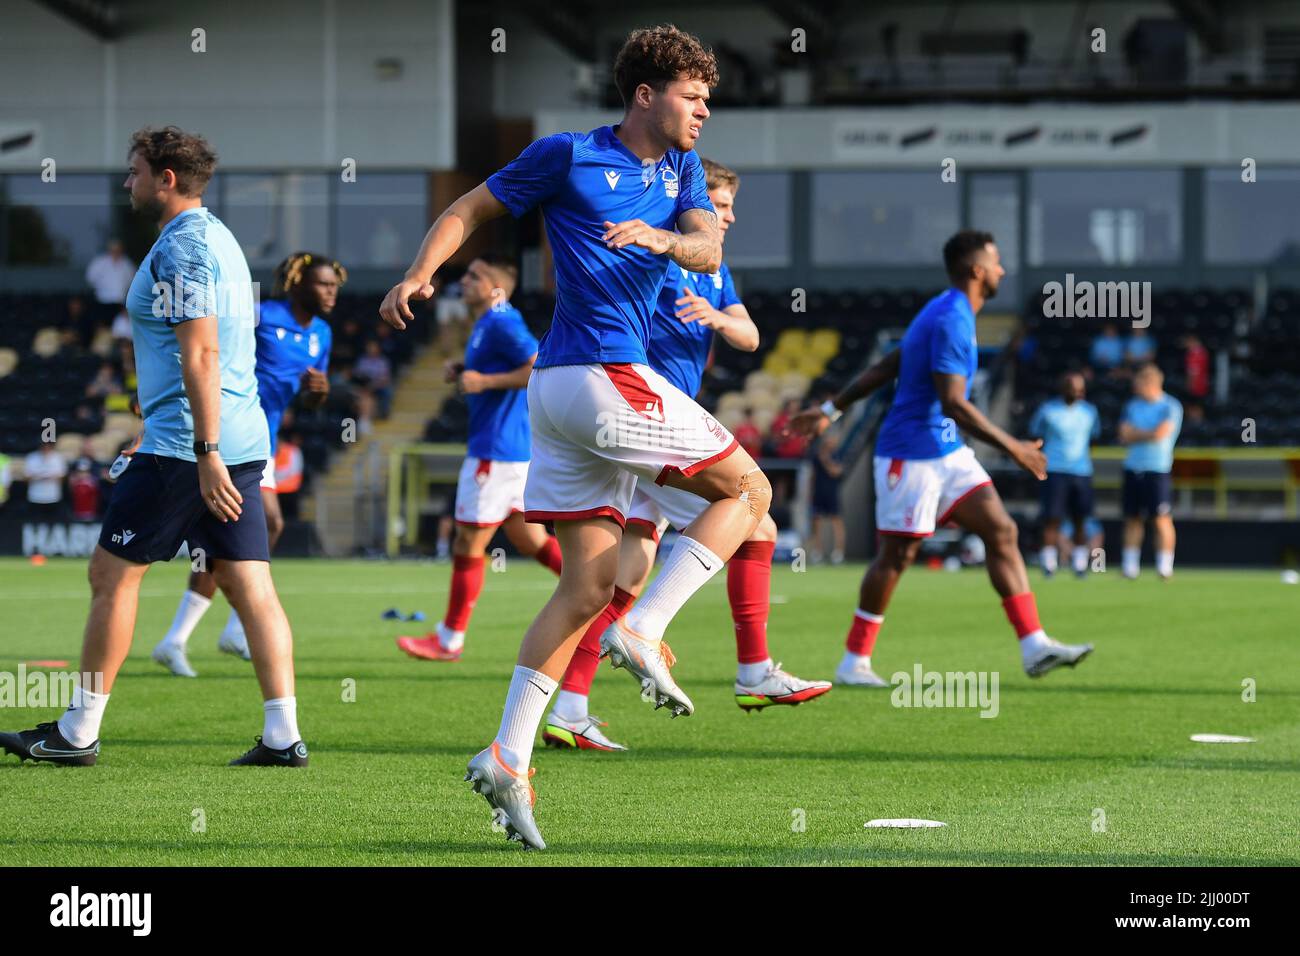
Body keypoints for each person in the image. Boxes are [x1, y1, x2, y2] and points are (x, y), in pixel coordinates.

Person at [379, 25, 768, 850]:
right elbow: (470, 208)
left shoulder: (685, 170)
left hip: (558, 400)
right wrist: (423, 273)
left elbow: (707, 245)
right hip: (598, 376)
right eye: (693, 96)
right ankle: (647, 628)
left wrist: (666, 239)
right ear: (645, 94)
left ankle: (507, 755)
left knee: (584, 587)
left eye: (708, 98)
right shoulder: (565, 155)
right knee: (750, 493)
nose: (704, 111)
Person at [1, 126, 307, 768]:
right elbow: (199, 350)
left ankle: (77, 733)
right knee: (251, 585)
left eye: (134, 171)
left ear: (165, 178)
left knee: (111, 575)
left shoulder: (182, 249)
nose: (126, 183)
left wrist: (204, 449)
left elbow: (201, 348)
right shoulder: (219, 236)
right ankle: (283, 737)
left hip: (189, 449)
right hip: (236, 436)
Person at [542, 159, 827, 753]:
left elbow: (749, 336)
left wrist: (720, 318)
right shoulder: (660, 260)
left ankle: (569, 707)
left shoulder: (714, 273)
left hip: (657, 433)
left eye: (728, 209)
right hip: (643, 419)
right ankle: (752, 671)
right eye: (719, 206)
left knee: (625, 574)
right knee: (757, 517)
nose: (727, 218)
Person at [789, 230, 1093, 688]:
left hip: (949, 452)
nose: (1002, 270)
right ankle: (854, 660)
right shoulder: (951, 318)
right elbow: (953, 402)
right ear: (977, 271)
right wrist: (1014, 447)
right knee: (898, 555)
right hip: (910, 455)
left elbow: (891, 363)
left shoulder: (944, 309)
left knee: (1002, 530)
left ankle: (1034, 645)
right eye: (996, 263)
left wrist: (832, 410)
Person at [152, 251, 340, 677]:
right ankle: (223, 632)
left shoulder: (322, 334)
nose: (332, 292)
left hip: (261, 439)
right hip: (229, 434)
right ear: (297, 284)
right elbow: (208, 346)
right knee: (257, 527)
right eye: (324, 284)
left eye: (335, 286)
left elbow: (310, 399)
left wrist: (320, 391)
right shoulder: (260, 314)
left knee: (229, 541)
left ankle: (182, 638)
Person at [394, 254, 566, 662]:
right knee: (531, 539)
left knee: (468, 541)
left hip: (496, 452)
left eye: (475, 276)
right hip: (514, 451)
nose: (465, 281)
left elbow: (536, 366)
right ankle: (609, 598)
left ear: (496, 288)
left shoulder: (502, 320)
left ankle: (449, 639)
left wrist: (484, 380)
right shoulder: (488, 323)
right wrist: (465, 369)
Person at [1028, 371, 1100, 578]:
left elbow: (1093, 437)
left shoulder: (1089, 412)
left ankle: (1079, 563)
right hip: (1055, 470)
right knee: (1052, 518)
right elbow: (1036, 436)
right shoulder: (1048, 410)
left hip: (1081, 471)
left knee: (1080, 519)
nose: (1076, 392)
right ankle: (1049, 563)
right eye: (1071, 388)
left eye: (1079, 388)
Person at [1119, 363, 1182, 580]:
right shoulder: (1132, 405)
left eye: (1139, 383)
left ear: (1150, 383)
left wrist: (1137, 434)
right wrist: (1146, 434)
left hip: (1157, 469)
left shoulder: (1170, 406)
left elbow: (1160, 434)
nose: (1135, 388)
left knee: (1161, 518)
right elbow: (1123, 435)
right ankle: (1130, 568)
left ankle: (1165, 567)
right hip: (1132, 468)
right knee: (1132, 518)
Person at [84, 239, 137, 346]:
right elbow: (90, 278)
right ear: (109, 250)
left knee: (119, 330)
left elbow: (134, 282)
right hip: (103, 303)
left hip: (120, 304)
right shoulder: (99, 263)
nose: (116, 252)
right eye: (113, 250)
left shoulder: (126, 264)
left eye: (118, 250)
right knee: (103, 332)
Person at [809, 426, 846, 565]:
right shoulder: (816, 454)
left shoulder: (837, 454)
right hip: (819, 492)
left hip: (832, 493)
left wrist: (826, 460)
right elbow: (812, 475)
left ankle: (838, 552)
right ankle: (817, 552)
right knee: (817, 522)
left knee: (836, 522)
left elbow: (836, 472)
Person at [22, 442, 68, 519]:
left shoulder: (59, 458)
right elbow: (26, 478)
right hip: (35, 496)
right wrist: (38, 477)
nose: (46, 447)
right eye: (44, 445)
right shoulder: (31, 457)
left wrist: (52, 477)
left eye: (48, 445)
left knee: (53, 522)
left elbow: (63, 478)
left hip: (53, 497)